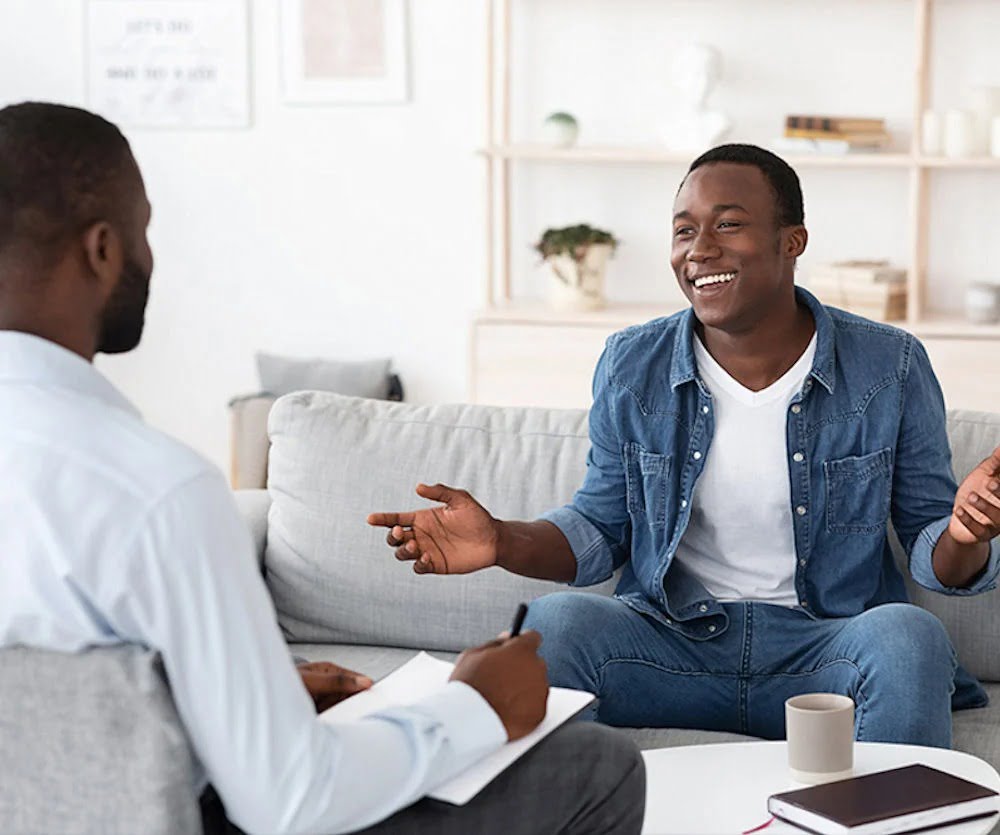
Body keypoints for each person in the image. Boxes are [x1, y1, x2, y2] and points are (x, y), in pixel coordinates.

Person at [0, 102, 645, 835]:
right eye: (145, 230)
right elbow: (293, 800)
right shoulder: (154, 492)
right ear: (103, 249)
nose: (151, 257)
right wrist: (472, 705)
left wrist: (236, 704)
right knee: (595, 765)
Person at [369, 143, 1000, 749]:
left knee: (908, 636)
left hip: (824, 653)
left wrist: (965, 537)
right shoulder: (631, 362)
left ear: (792, 242)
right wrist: (503, 540)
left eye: (727, 225)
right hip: (671, 646)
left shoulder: (889, 365)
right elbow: (599, 528)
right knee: (554, 625)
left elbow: (930, 550)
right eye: (683, 231)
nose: (699, 250)